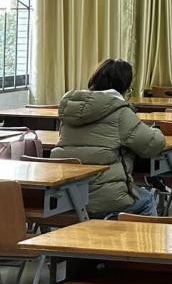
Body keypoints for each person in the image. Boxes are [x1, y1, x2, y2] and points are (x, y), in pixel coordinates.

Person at [52, 59, 166, 218]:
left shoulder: (71, 110)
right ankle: (143, 236)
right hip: (105, 199)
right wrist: (156, 130)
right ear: (124, 87)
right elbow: (152, 144)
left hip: (67, 196)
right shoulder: (120, 112)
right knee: (147, 199)